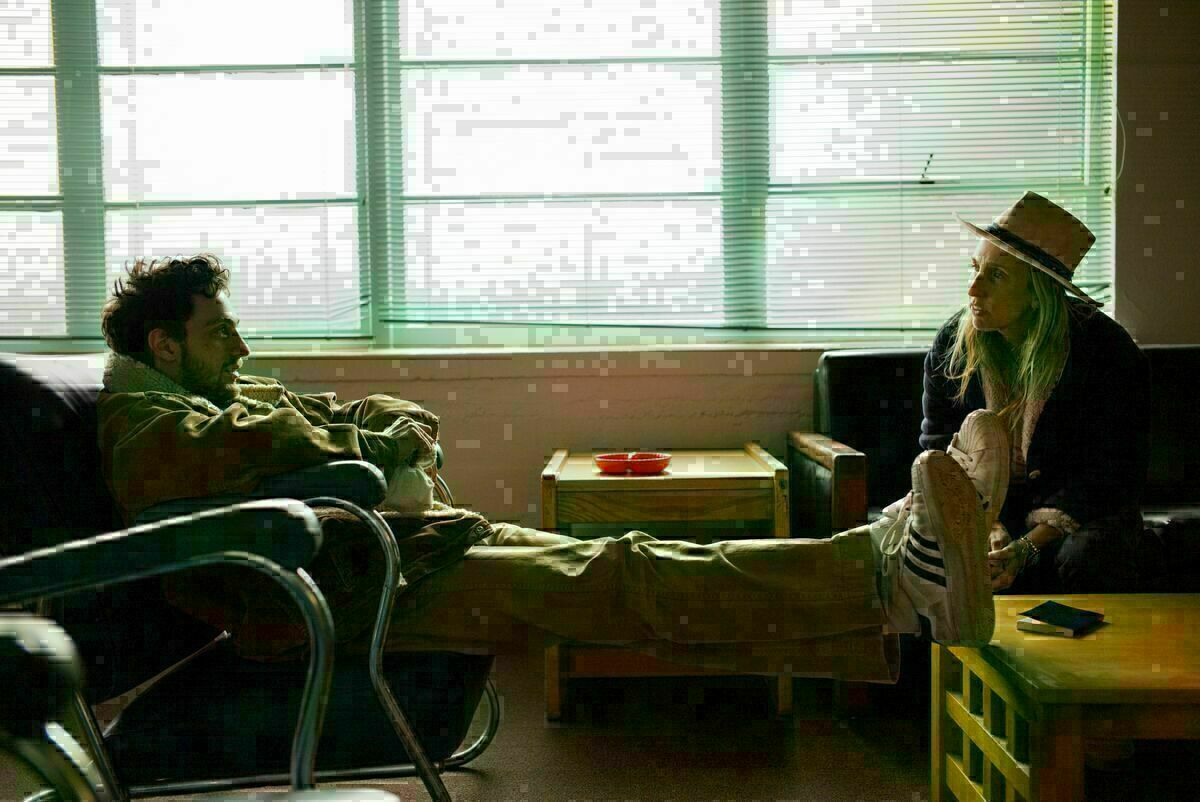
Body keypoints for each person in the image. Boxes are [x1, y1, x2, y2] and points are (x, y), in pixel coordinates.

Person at [96, 253, 1002, 687]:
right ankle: (886, 579)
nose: (241, 347)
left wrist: (391, 440)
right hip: (351, 590)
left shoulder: (218, 397)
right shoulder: (150, 425)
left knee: (632, 558)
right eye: (219, 332)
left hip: (410, 550)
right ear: (163, 345)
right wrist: (376, 460)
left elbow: (358, 415)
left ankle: (889, 580)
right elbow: (289, 448)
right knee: (623, 579)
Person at [922, 191, 1151, 594]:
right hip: (985, 508)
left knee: (1088, 556)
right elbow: (939, 448)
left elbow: (1113, 473)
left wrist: (1027, 546)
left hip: (1082, 514)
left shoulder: (1105, 349)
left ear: (1038, 292)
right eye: (975, 269)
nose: (973, 290)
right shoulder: (952, 343)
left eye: (996, 276)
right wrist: (987, 524)